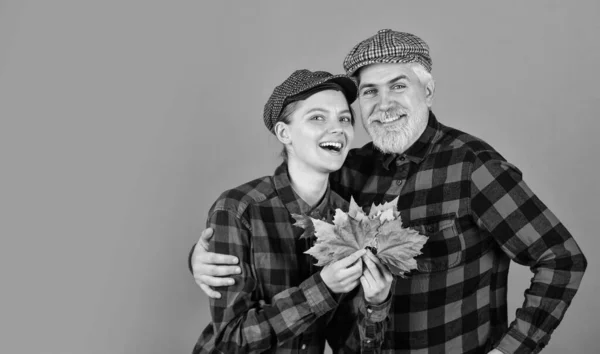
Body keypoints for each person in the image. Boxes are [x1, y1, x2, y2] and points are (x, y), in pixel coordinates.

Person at [191, 30, 587, 353]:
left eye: (398, 85)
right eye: (369, 92)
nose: (384, 104)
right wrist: (202, 256)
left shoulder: (472, 166)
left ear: (427, 91)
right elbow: (285, 215)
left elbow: (562, 258)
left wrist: (512, 351)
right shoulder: (349, 168)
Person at [192, 69, 394, 354]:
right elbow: (230, 341)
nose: (337, 128)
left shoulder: (349, 221)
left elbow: (350, 347)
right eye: (317, 117)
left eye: (344, 118)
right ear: (284, 133)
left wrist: (376, 304)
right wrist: (322, 289)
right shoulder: (239, 210)